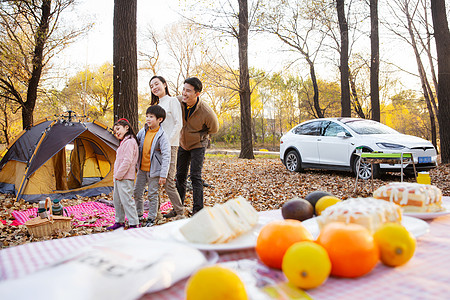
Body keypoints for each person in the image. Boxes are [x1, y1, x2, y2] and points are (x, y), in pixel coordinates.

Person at [176, 77, 219, 215]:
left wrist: (199, 135)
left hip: (198, 144)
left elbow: (214, 128)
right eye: (183, 89)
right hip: (183, 143)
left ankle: (198, 210)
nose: (184, 93)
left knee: (195, 176)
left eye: (188, 91)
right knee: (180, 176)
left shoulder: (206, 111)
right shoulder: (178, 102)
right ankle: (178, 208)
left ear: (197, 94)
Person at [149, 75, 185, 219]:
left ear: (164, 84)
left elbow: (178, 124)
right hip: (156, 149)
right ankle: (156, 213)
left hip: (170, 146)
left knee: (169, 181)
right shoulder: (156, 107)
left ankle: (180, 212)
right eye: (151, 86)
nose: (154, 88)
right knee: (155, 180)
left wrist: (167, 143)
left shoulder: (172, 101)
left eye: (156, 84)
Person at [134, 105, 171, 226]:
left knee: (152, 195)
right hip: (141, 169)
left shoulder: (162, 136)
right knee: (137, 192)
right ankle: (139, 214)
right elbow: (135, 142)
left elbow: (166, 156)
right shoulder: (143, 131)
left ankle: (151, 218)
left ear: (160, 119)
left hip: (154, 171)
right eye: (147, 116)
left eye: (151, 117)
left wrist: (163, 175)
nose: (148, 119)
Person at [107, 118, 139, 230]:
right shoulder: (123, 142)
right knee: (117, 200)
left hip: (125, 177)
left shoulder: (130, 142)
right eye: (115, 132)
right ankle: (119, 221)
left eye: (118, 129)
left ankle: (133, 223)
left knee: (126, 200)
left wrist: (119, 175)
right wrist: (117, 176)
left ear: (126, 127)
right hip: (118, 177)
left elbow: (127, 160)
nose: (116, 133)